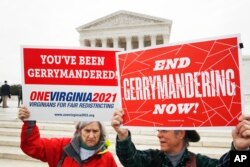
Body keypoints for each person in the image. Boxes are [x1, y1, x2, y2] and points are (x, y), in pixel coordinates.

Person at [111, 109, 250, 167]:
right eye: (159, 130)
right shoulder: (152, 159)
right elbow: (129, 159)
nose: (159, 134)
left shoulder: (200, 162)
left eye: (164, 130)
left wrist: (240, 150)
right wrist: (123, 136)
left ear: (181, 133)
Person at [18, 106, 118, 167]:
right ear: (79, 130)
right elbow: (32, 146)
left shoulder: (107, 158)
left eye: (95, 131)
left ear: (101, 132)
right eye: (87, 130)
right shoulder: (62, 147)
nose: (91, 136)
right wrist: (29, 123)